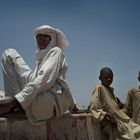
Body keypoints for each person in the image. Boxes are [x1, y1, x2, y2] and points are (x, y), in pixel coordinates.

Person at [0, 25, 78, 124]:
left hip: (48, 101)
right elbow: (60, 81)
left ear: (52, 39)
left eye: (45, 37)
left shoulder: (56, 51)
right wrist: (73, 104)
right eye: (38, 37)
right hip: (41, 91)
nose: (40, 40)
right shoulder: (41, 59)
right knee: (9, 54)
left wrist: (15, 102)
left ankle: (14, 105)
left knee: (37, 88)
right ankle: (13, 102)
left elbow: (45, 80)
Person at [88, 67, 140, 140]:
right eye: (107, 77)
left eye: (111, 77)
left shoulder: (110, 91)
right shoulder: (99, 88)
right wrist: (107, 117)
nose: (109, 79)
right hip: (115, 124)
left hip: (124, 121)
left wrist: (120, 106)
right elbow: (94, 108)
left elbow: (113, 109)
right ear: (100, 78)